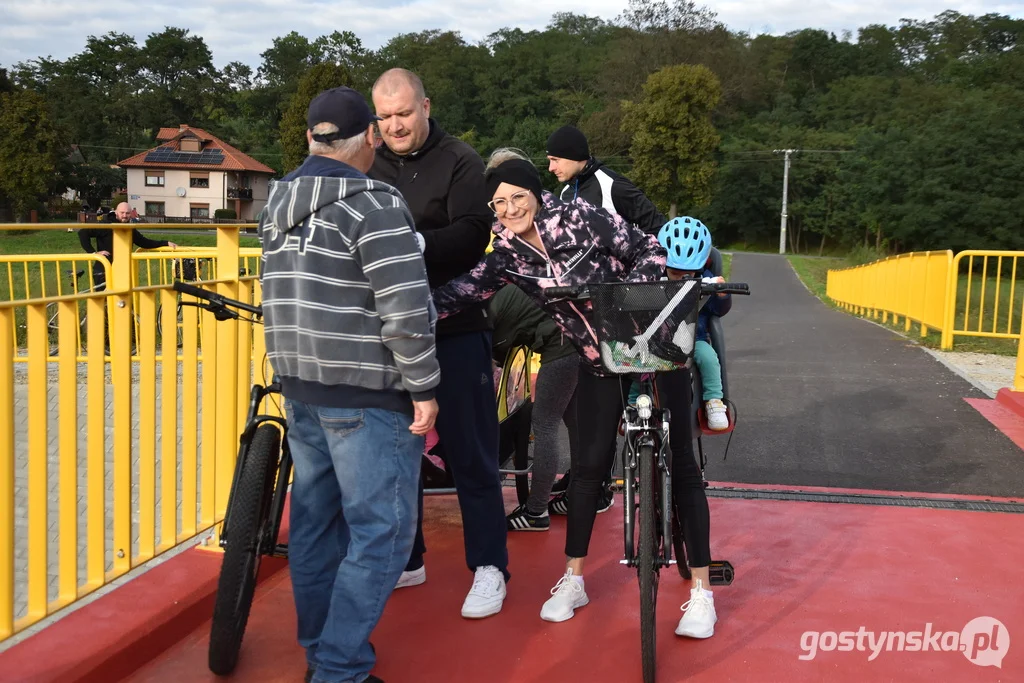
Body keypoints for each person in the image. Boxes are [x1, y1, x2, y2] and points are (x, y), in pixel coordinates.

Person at [430, 152, 721, 637]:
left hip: (656, 341)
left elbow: (647, 248)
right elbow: (457, 294)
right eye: (498, 202)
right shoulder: (507, 255)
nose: (508, 208)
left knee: (684, 466)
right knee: (587, 467)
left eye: (516, 197)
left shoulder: (579, 218)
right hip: (596, 355)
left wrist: (625, 299)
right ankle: (573, 580)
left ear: (535, 195)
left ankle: (702, 593)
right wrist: (388, 312)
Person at [259, 85, 441, 683]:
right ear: (368, 136)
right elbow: (406, 310)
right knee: (383, 534)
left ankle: (320, 650)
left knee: (315, 527)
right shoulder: (376, 204)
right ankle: (337, 670)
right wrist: (423, 386)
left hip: (302, 388)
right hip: (367, 395)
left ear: (311, 138)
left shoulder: (276, 202)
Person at [368, 68, 510, 619]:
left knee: (471, 453)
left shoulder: (462, 160)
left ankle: (490, 567)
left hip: (454, 328)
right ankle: (408, 558)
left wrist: (409, 244)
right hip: (387, 332)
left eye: (404, 112)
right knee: (396, 454)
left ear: (425, 105)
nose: (395, 125)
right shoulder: (369, 163)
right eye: (385, 117)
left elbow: (475, 235)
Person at [488, 281, 580, 531]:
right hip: (577, 337)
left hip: (561, 346)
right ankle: (580, 495)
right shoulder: (498, 288)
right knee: (575, 422)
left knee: (545, 423)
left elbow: (494, 356)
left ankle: (536, 511)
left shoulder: (486, 307)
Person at [655, 216, 732, 430]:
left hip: (693, 339)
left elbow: (718, 311)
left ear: (700, 267)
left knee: (708, 357)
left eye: (687, 274)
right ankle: (634, 401)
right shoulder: (651, 277)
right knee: (635, 359)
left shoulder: (706, 279)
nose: (680, 278)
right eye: (674, 273)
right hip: (655, 340)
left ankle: (714, 401)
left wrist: (722, 294)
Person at [546, 125, 666, 235]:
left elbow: (658, 228)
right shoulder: (565, 193)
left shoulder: (612, 185)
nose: (551, 168)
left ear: (574, 155)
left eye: (555, 160)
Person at [77, 202, 178, 289]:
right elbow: (83, 232)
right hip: (103, 270)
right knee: (105, 303)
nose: (125, 215)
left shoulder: (129, 228)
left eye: (127, 213)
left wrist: (165, 243)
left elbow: (144, 242)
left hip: (121, 270)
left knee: (123, 302)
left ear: (131, 214)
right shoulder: (106, 224)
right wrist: (94, 253)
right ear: (116, 212)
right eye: (122, 213)